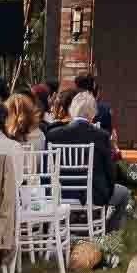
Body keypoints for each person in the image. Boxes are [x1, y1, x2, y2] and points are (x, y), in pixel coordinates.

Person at [48, 91, 131, 230]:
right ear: (93, 114)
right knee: (124, 194)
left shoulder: (53, 135)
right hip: (94, 194)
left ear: (72, 110)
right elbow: (110, 172)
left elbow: (48, 169)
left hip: (60, 194)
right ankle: (108, 231)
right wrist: (107, 190)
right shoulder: (101, 136)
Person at [73, 70, 114, 138]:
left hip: (74, 145)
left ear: (76, 86)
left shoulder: (70, 105)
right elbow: (108, 133)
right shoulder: (105, 108)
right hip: (97, 146)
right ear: (94, 86)